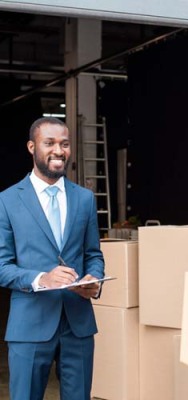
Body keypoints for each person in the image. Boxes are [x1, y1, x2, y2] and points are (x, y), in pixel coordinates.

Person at [0, 117, 105, 400]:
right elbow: (2, 266)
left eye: (65, 144)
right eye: (50, 143)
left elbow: (93, 254)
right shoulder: (7, 201)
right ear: (32, 147)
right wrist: (41, 279)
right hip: (29, 325)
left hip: (78, 326)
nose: (59, 150)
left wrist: (94, 279)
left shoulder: (85, 199)